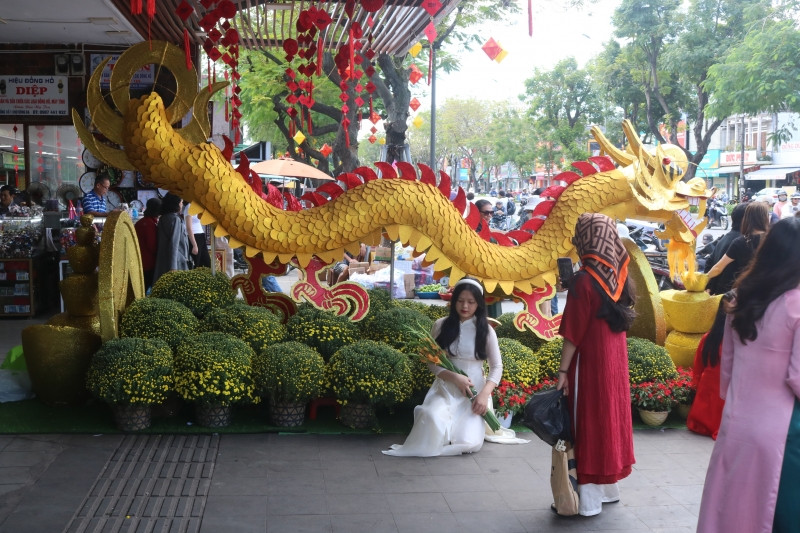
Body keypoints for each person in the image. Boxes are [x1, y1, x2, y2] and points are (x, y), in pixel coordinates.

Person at [697, 217, 800, 532]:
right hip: (783, 432)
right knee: (774, 513)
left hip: (737, 421)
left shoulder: (740, 298)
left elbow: (727, 365)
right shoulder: (796, 303)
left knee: (729, 504)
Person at [556, 213, 636, 517]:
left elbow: (573, 335)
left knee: (587, 424)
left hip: (588, 367)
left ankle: (588, 501)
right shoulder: (620, 277)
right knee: (610, 419)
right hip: (614, 366)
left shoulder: (583, 280)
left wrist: (563, 372)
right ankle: (608, 490)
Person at [383, 278, 502, 456]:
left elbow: (497, 367)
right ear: (454, 301)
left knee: (469, 443)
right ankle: (437, 437)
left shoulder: (486, 330)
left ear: (479, 303)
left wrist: (484, 395)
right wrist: (454, 377)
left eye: (471, 302)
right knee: (430, 417)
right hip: (445, 389)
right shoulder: (441, 325)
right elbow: (432, 362)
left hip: (474, 394)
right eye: (460, 301)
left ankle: (446, 439)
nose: (465, 306)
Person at [686, 290, 735, 440]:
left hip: (706, 388)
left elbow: (699, 364)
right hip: (724, 389)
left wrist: (698, 382)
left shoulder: (708, 337)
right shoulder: (735, 340)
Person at [706, 201, 769, 296]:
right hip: (768, 291)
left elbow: (718, 268)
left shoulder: (740, 242)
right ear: (765, 218)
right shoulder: (774, 239)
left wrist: (702, 280)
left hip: (744, 293)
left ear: (747, 218)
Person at [152, 193, 189, 285]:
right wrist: (173, 266)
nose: (181, 205)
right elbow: (174, 243)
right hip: (177, 260)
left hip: (164, 258)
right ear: (175, 204)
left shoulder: (163, 218)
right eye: (181, 202)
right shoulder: (175, 219)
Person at [134, 198, 161, 291]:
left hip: (139, 262)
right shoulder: (150, 224)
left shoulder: (141, 222)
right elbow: (152, 246)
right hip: (149, 263)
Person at [184, 202, 210, 268]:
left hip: (201, 235)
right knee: (197, 262)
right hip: (194, 236)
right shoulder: (189, 207)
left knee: (206, 262)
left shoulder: (198, 206)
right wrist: (194, 245)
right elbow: (189, 228)